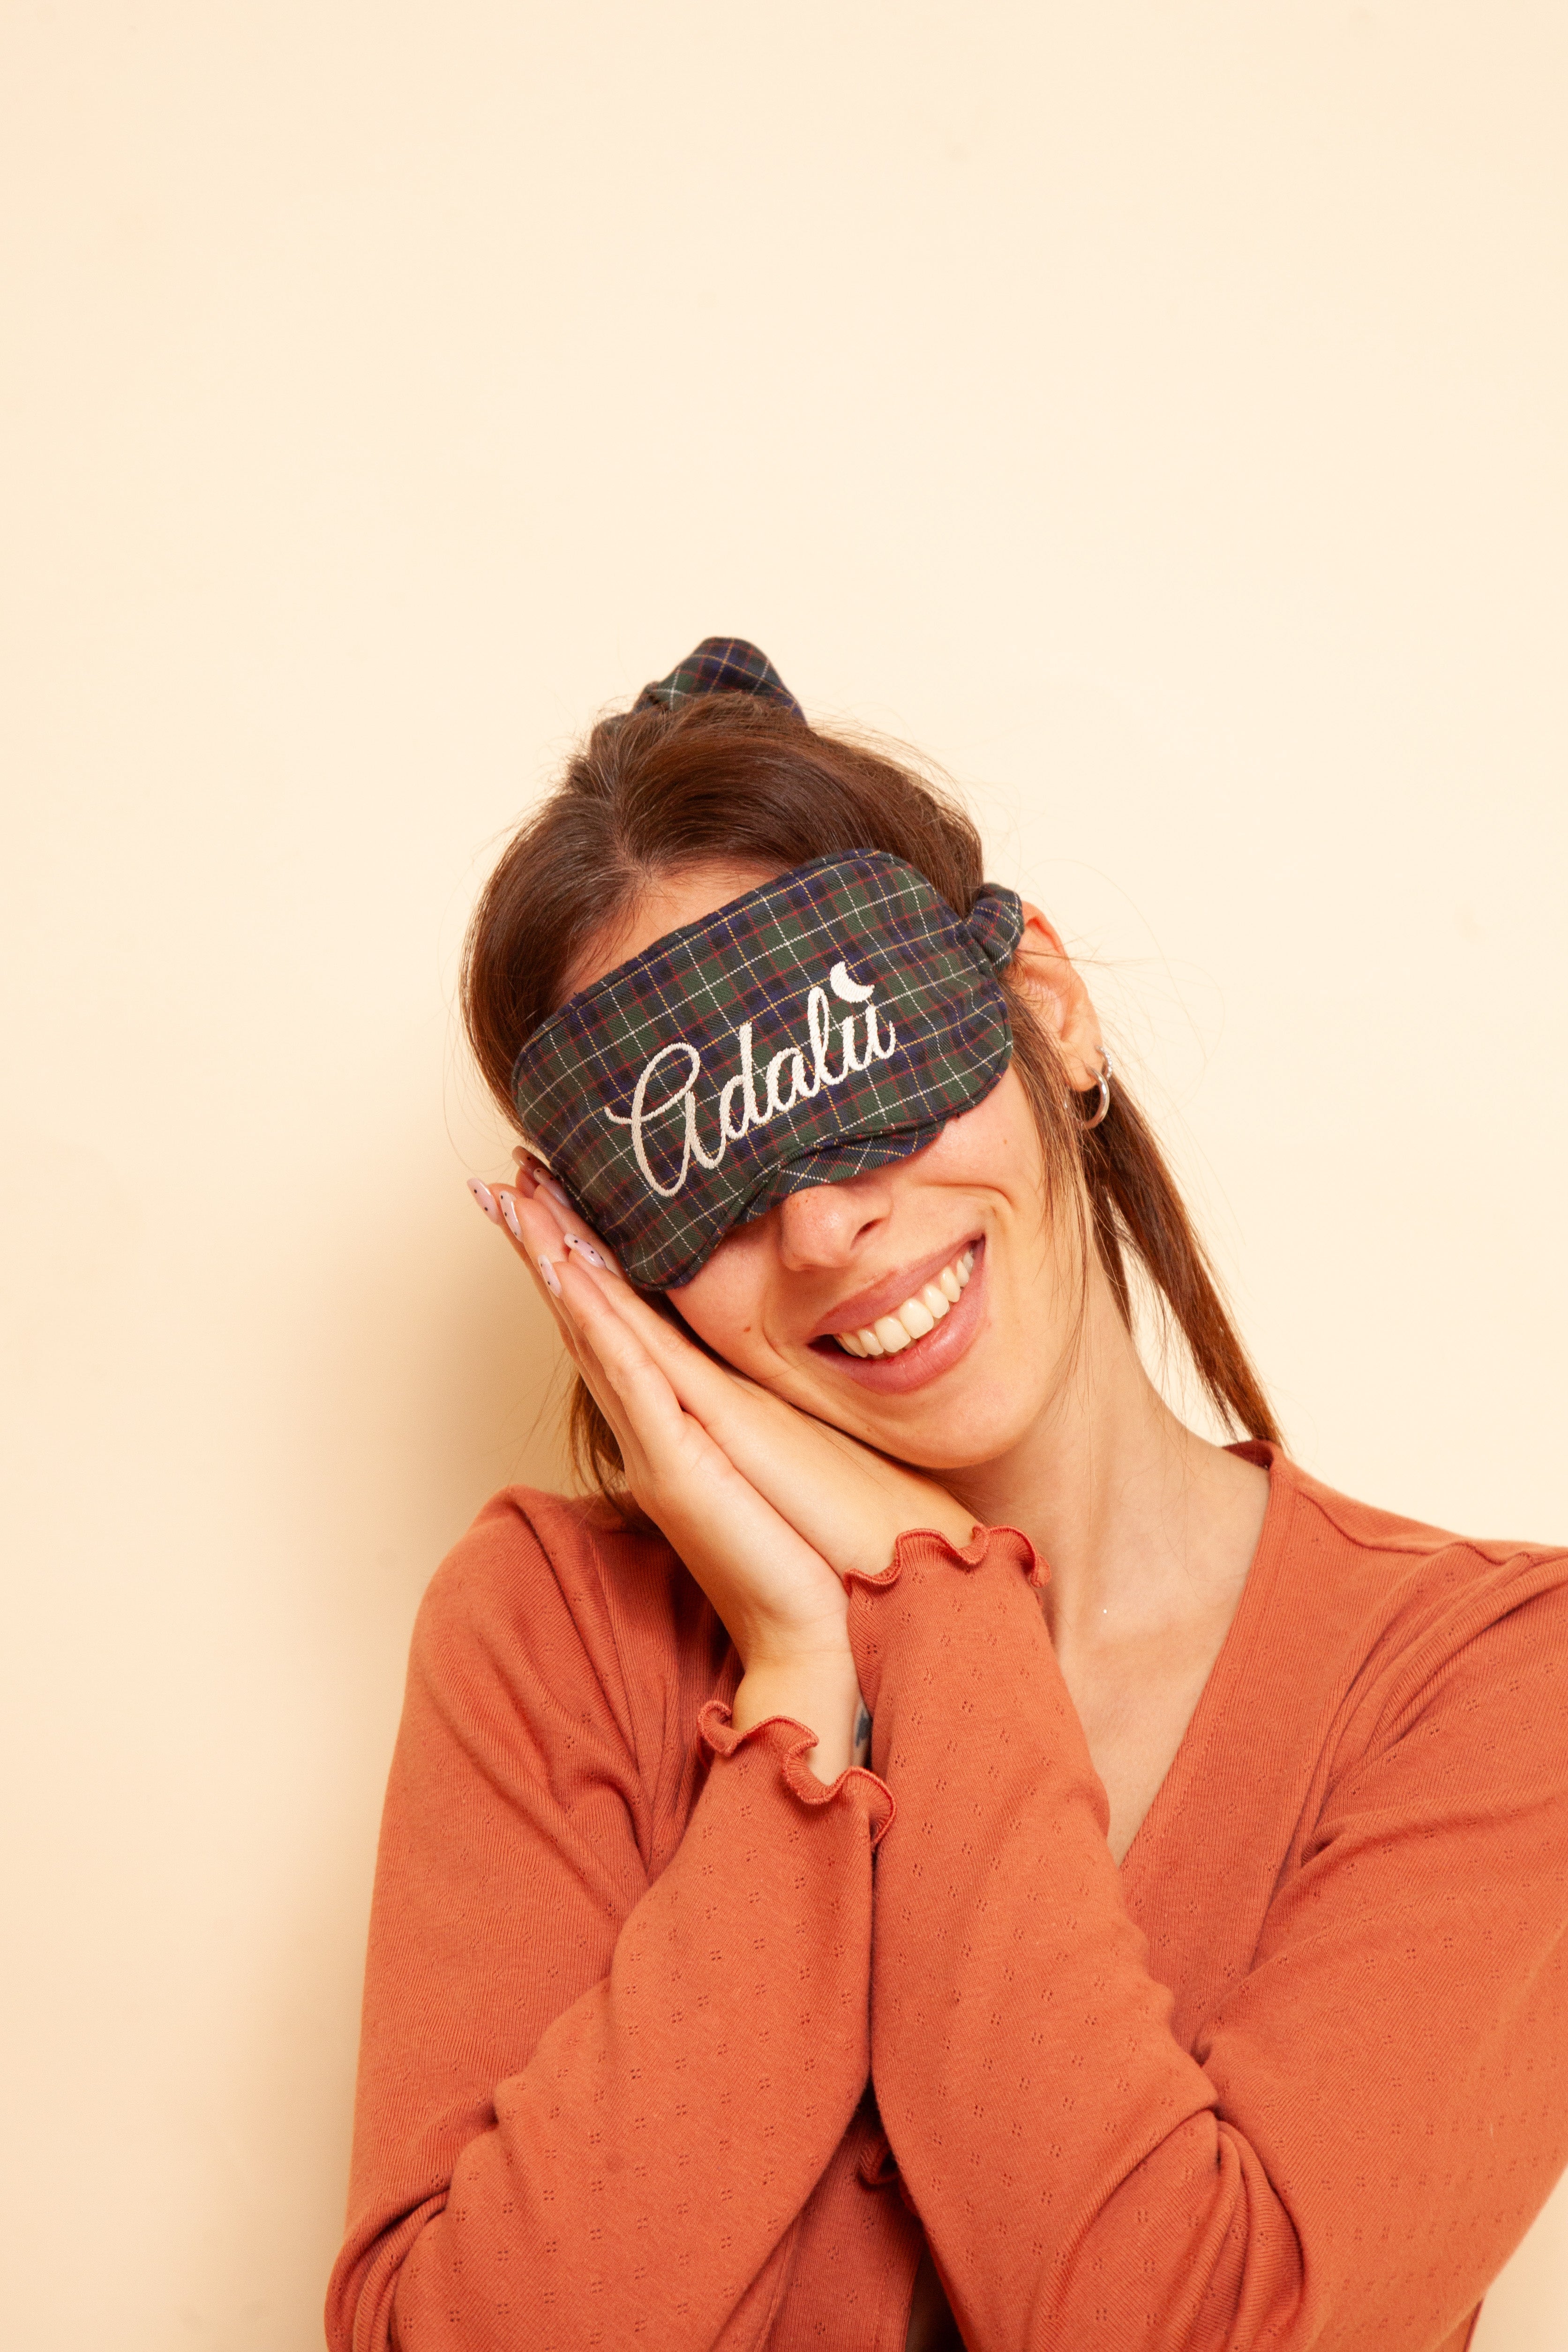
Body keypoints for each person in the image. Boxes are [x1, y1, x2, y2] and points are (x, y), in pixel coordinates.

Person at [326, 639, 1568, 2352]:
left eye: (856, 1076)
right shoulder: (550, 1629)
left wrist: (932, 1602)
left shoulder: (1497, 1675)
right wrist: (805, 1678)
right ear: (616, 1271)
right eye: (704, 1177)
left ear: (1042, 1010)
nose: (825, 1225)